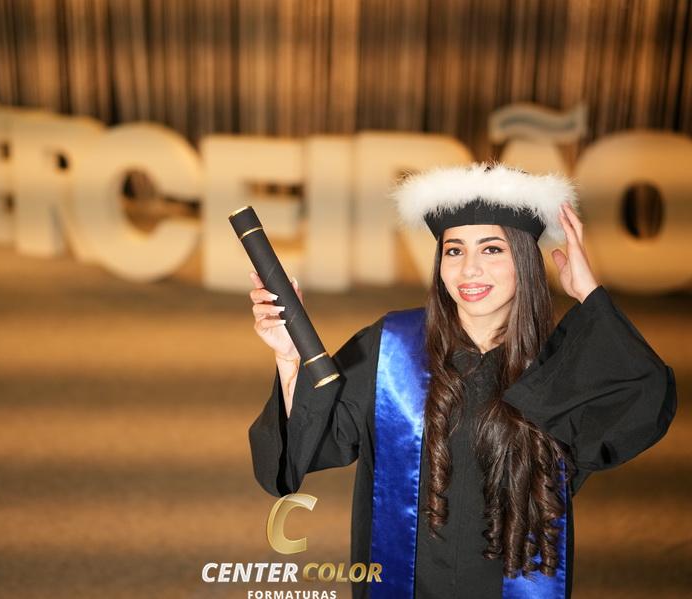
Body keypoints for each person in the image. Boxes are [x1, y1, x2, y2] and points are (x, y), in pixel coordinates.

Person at [246, 162, 677, 599]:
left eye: (492, 249)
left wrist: (588, 293)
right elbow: (313, 441)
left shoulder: (558, 362)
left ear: (525, 260)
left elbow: (645, 396)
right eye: (454, 251)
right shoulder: (393, 347)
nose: (469, 269)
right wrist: (289, 357)